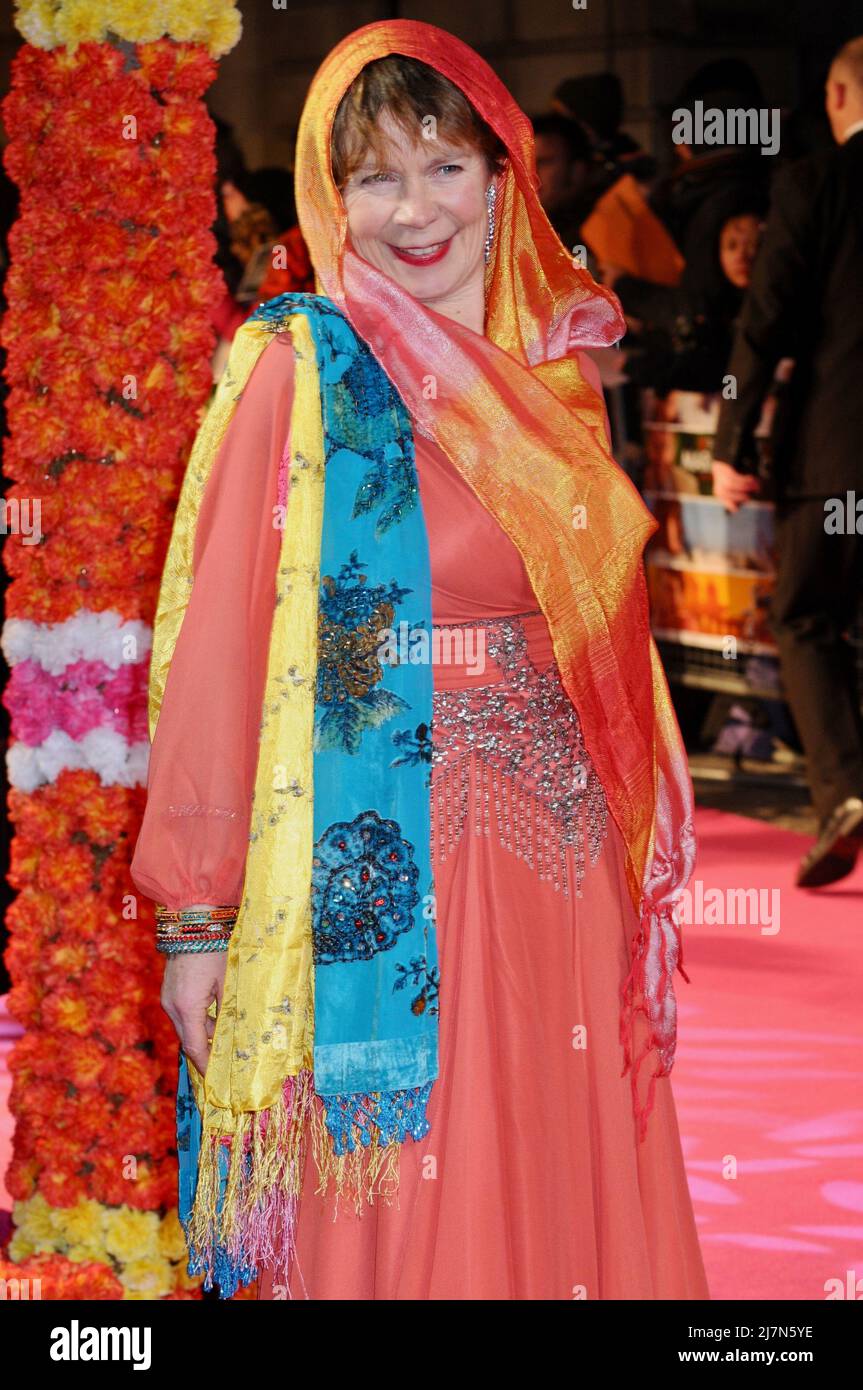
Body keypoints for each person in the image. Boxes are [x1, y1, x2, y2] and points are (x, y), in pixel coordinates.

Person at [131, 19, 708, 1301]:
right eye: (374, 177)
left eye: (444, 167)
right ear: (329, 199)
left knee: (555, 1194)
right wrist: (195, 915)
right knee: (414, 1212)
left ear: (505, 177)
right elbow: (224, 650)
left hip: (560, 862)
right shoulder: (299, 373)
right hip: (384, 874)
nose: (413, 210)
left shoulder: (556, 377)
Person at [712, 36, 863, 889]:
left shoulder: (814, 184)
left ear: (836, 96)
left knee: (806, 618)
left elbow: (762, 323)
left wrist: (730, 444)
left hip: (836, 456)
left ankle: (843, 791)